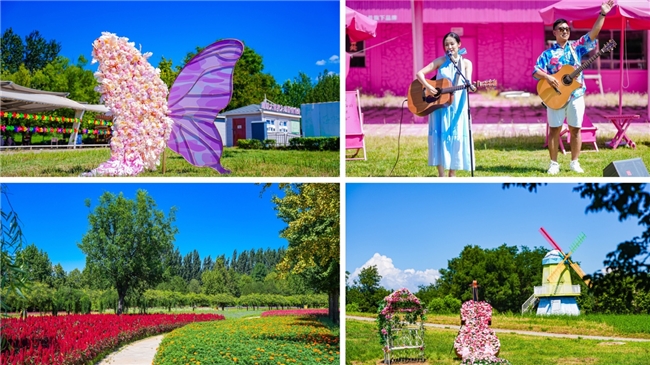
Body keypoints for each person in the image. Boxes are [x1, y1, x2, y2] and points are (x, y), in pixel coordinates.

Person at [533, 0, 614, 175]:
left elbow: (594, 33)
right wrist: (548, 77)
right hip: (554, 96)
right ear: (554, 32)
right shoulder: (547, 54)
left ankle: (574, 162)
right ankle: (553, 163)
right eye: (561, 29)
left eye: (567, 29)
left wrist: (603, 14)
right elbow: (536, 71)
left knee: (575, 129)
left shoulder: (576, 47)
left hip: (576, 94)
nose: (565, 31)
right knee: (554, 130)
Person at [416, 32, 476, 177]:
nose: (449, 47)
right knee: (440, 136)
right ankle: (441, 174)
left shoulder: (466, 63)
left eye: (452, 44)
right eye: (446, 45)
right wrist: (428, 87)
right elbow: (419, 74)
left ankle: (452, 173)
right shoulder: (440, 61)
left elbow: (468, 81)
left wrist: (471, 86)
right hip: (440, 106)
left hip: (458, 105)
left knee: (455, 136)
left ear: (459, 44)